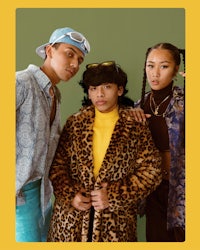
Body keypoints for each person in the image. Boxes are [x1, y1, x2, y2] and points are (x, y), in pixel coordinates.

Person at [47, 60, 162, 242]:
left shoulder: (134, 125)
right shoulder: (75, 123)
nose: (99, 94)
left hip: (116, 225)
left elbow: (152, 171)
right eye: (93, 88)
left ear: (119, 90)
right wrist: (71, 195)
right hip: (70, 223)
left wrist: (114, 195)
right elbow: (57, 168)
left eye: (107, 87)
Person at [16, 27, 90, 242]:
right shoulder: (21, 81)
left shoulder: (54, 95)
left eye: (79, 59)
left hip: (43, 195)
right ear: (49, 50)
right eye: (69, 54)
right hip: (19, 194)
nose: (75, 64)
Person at [134, 43, 185, 241]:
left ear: (175, 70)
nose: (155, 73)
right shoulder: (139, 105)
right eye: (150, 65)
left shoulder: (186, 100)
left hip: (183, 187)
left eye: (163, 66)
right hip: (153, 189)